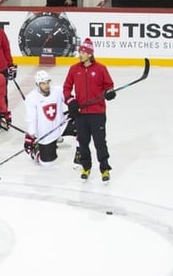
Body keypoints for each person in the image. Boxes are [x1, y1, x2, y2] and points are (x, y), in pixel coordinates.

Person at [63, 37, 115, 181]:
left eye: (83, 52)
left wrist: (110, 93)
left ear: (90, 54)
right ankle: (86, 167)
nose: (80, 54)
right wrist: (71, 101)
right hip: (81, 113)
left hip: (97, 113)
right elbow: (66, 87)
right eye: (80, 52)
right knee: (83, 141)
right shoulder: (74, 69)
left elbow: (108, 86)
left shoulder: (101, 69)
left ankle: (104, 168)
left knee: (100, 142)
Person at [23, 70, 68, 165]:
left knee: (82, 126)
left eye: (48, 82)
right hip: (46, 133)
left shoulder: (58, 91)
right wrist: (31, 134)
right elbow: (31, 118)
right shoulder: (31, 98)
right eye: (43, 83)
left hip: (61, 125)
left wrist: (73, 106)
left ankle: (80, 153)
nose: (46, 86)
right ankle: (36, 150)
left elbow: (68, 98)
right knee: (47, 163)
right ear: (37, 84)